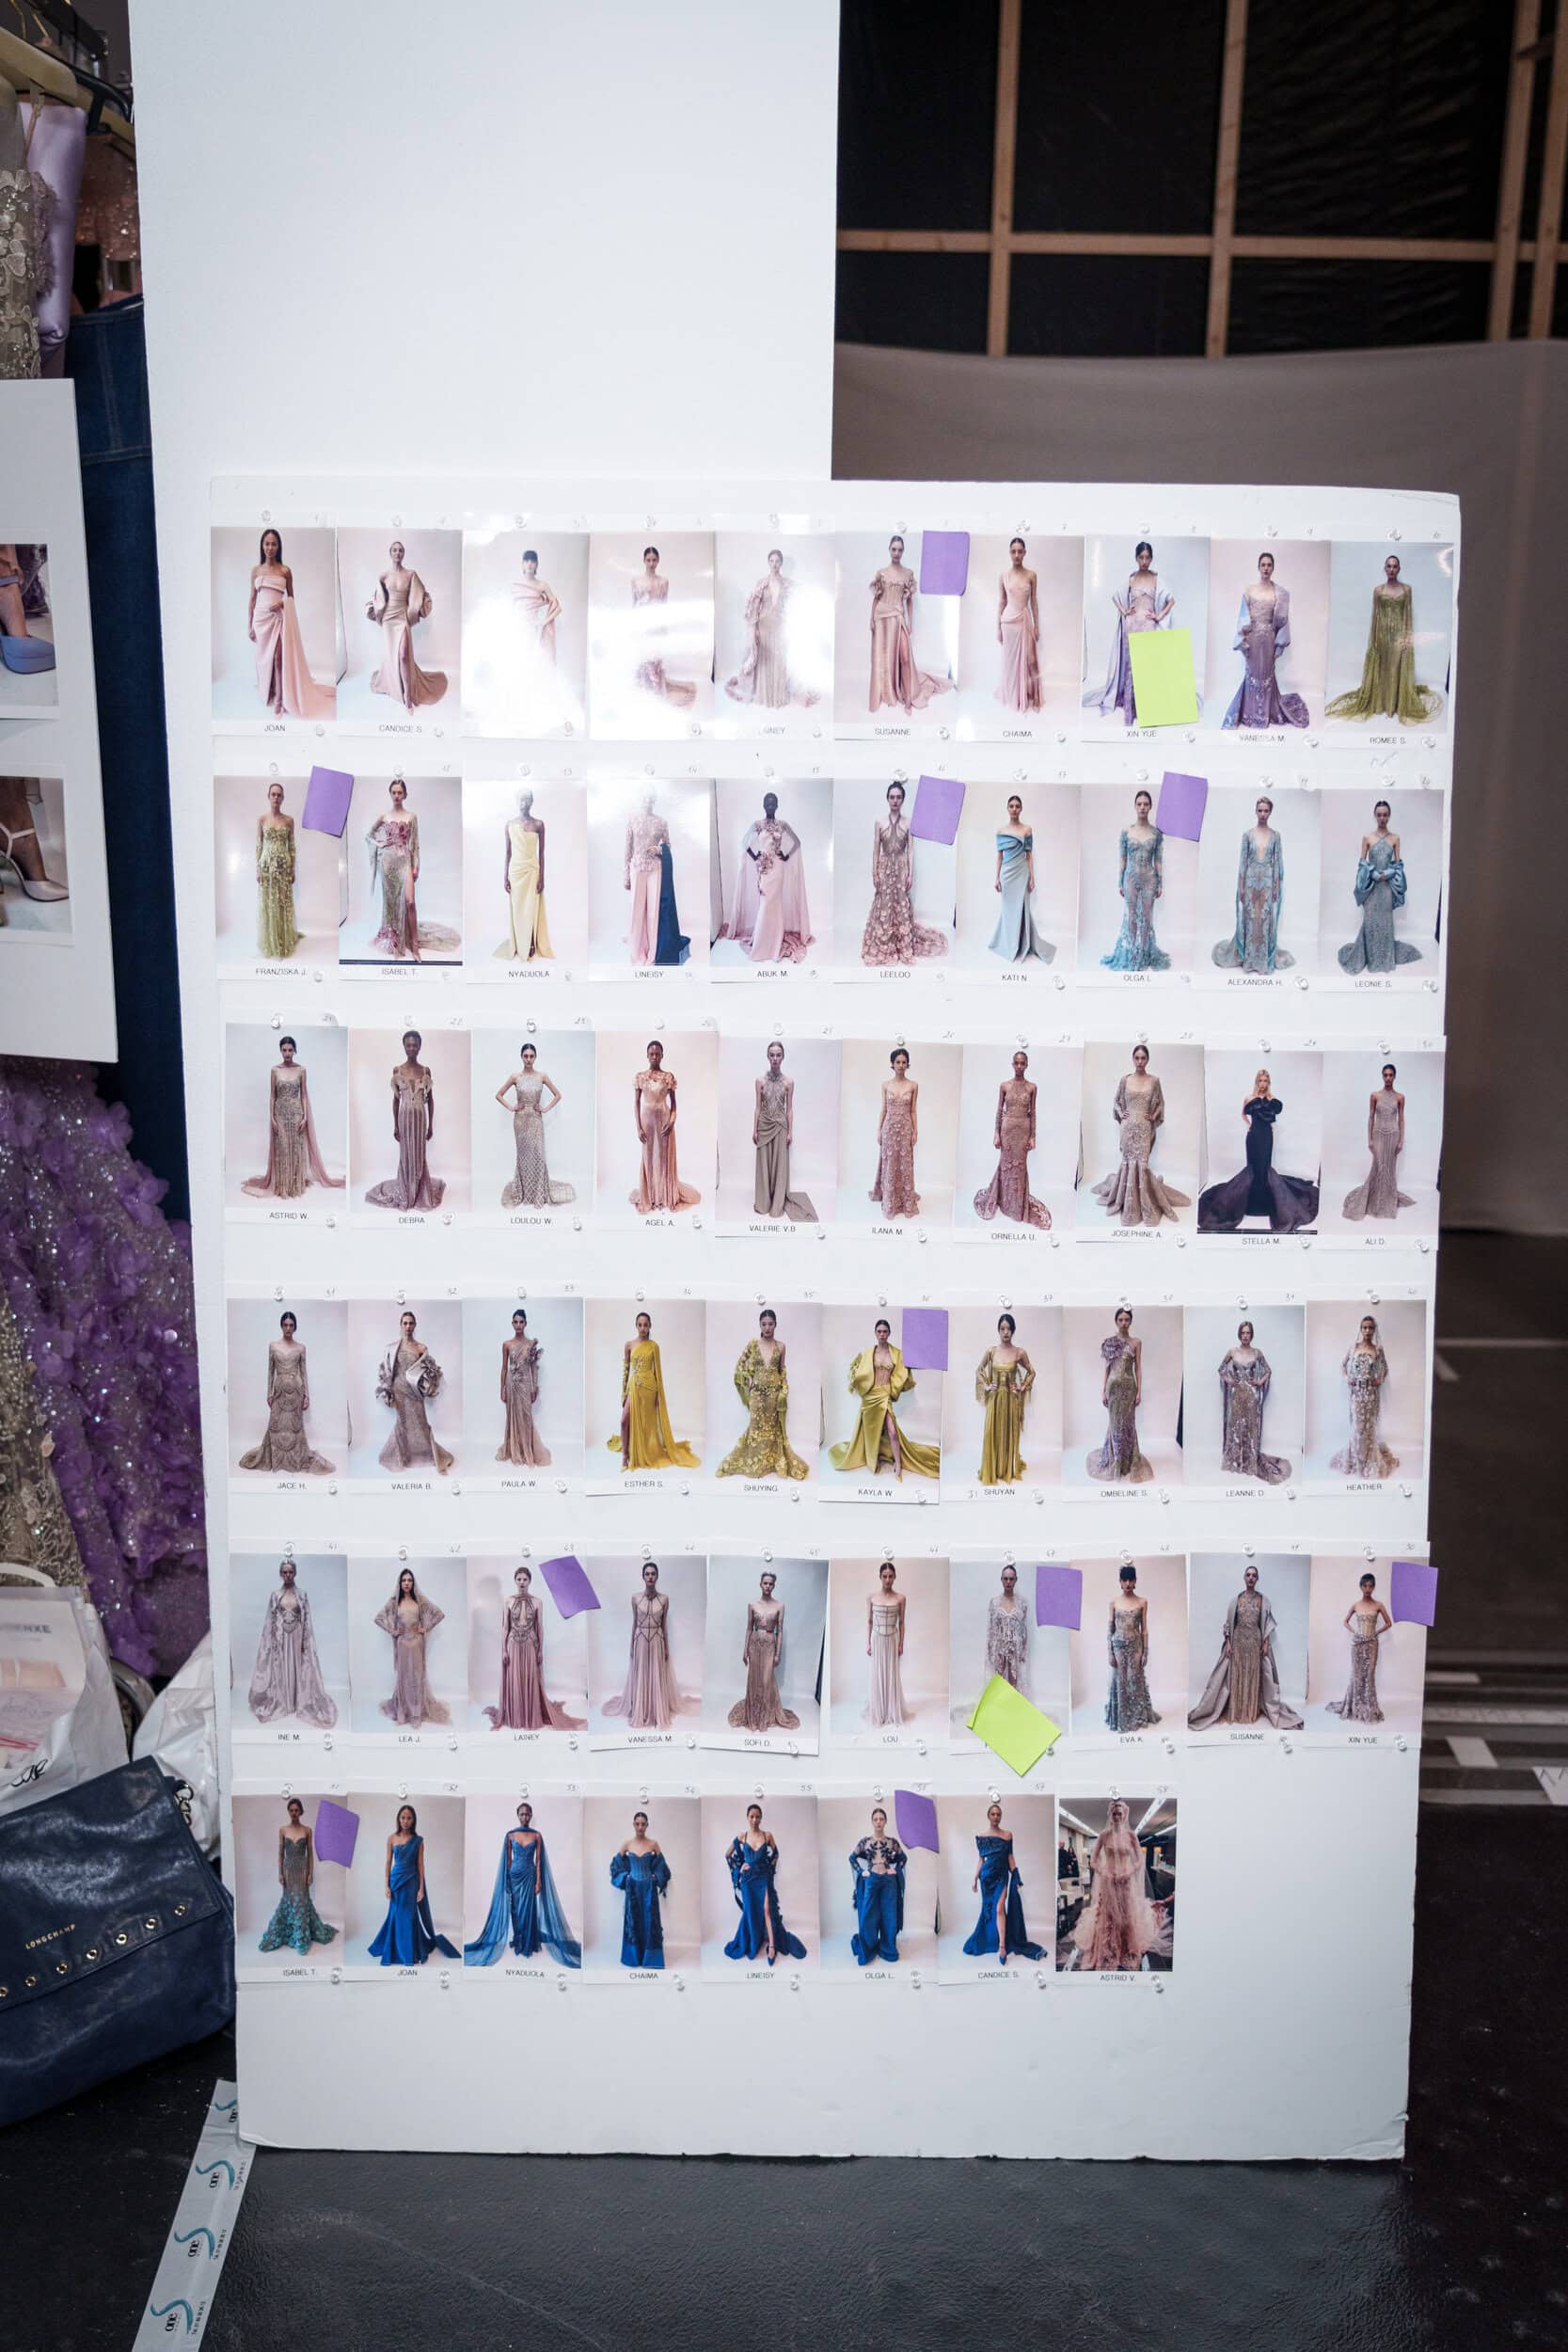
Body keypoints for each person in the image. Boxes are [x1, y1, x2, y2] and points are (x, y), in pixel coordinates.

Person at [1197, 1068, 1318, 1233]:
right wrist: (1249, 1126)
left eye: (1265, 1081)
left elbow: (1273, 1114)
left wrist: (1270, 1127)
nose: (1263, 1083)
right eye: (1260, 1080)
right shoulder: (1249, 1098)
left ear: (1268, 1083)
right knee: (1252, 1166)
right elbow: (1243, 1114)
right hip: (1253, 1137)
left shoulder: (1272, 1099)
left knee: (1264, 1166)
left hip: (1266, 1137)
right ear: (1256, 1082)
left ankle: (1266, 1200)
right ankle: (1250, 1199)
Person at [1326, 553, 1442, 723]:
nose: (1392, 569)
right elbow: (1375, 616)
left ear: (1399, 569)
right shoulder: (1378, 591)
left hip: (1399, 637)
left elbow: (1408, 615)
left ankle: (1393, 705)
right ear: (1385, 569)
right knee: (1382, 668)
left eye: (1395, 566)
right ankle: (1380, 703)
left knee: (1395, 668)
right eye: (1389, 566)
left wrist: (1407, 638)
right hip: (1382, 635)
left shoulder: (1407, 590)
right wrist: (1373, 640)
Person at [464, 1802, 580, 1967]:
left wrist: (539, 1881)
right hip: (514, 1876)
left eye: (527, 1814)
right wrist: (506, 1879)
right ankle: (519, 1940)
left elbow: (538, 1861)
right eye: (522, 1814)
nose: (524, 1817)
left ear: (531, 1815)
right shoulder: (510, 1835)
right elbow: (508, 1860)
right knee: (516, 1909)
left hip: (530, 1876)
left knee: (529, 1909)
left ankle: (528, 1942)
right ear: (517, 1815)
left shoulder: (537, 1836)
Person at [1188, 1563, 1304, 1728]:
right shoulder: (1236, 1600)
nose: (1250, 1578)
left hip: (1255, 1643)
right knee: (1237, 1675)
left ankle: (1250, 1712)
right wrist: (1228, 1642)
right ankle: (1237, 1711)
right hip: (1238, 1643)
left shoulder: (1263, 1600)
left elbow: (1267, 1623)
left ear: (1257, 1579)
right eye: (1248, 1575)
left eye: (1254, 1575)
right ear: (1244, 1578)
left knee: (1252, 1675)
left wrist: (1266, 1642)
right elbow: (1229, 1623)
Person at [830, 1318, 941, 1481]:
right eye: (879, 1331)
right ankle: (873, 1460)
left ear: (889, 1333)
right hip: (870, 1397)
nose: (882, 1334)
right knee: (871, 1431)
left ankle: (898, 1463)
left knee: (892, 1432)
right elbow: (858, 1371)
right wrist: (856, 1379)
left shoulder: (897, 1354)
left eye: (885, 1331)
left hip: (884, 1395)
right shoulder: (868, 1353)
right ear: (875, 1333)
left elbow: (904, 1372)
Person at [1091, 1043, 1189, 1227]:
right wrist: (1121, 1113)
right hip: (1128, 1128)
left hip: (1144, 1128)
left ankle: (1144, 1203)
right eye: (1137, 1058)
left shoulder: (1154, 1081)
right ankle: (1127, 1204)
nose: (1140, 1061)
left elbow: (1161, 1103)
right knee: (1128, 1163)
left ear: (1148, 1059)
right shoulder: (1125, 1080)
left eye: (1143, 1058)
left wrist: (1153, 1115)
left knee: (1142, 1164)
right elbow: (1116, 1101)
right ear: (1133, 1059)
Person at [1068, 1800, 1170, 1971]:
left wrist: (1129, 1872)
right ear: (1110, 1815)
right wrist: (1104, 1872)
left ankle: (1127, 1946)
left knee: (1127, 1913)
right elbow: (1093, 1861)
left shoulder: (1131, 1836)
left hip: (1126, 1882)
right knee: (1108, 1915)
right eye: (1114, 1814)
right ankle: (1108, 1948)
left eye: (1120, 1814)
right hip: (1108, 1882)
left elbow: (1139, 1860)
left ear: (1125, 1815)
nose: (1117, 1817)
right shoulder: (1104, 1835)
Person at [242, 1035, 342, 1201]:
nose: (287, 1053)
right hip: (280, 1114)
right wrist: (272, 1118)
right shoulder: (275, 1070)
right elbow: (272, 1096)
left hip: (296, 1114)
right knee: (282, 1148)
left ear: (294, 1050)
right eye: (284, 1050)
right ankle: (282, 1185)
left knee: (296, 1148)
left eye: (290, 1050)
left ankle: (295, 1185)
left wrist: (305, 1117)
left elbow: (303, 1095)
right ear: (280, 1051)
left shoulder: (301, 1070)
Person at [483, 1564, 581, 1729]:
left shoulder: (538, 1602)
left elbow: (540, 1627)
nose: (522, 1582)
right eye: (519, 1579)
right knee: (515, 1680)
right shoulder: (508, 1601)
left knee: (529, 1678)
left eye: (525, 1579)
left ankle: (530, 1716)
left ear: (530, 1581)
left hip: (530, 1644)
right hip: (513, 1644)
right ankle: (517, 1717)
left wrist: (540, 1650)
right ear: (515, 1581)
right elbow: (505, 1627)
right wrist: (504, 1650)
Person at [247, 527, 332, 717]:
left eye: (274, 544)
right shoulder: (256, 571)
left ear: (279, 547)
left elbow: (292, 597)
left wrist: (282, 603)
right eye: (267, 544)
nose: (270, 547)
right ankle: (270, 690)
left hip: (278, 618)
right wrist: (249, 625)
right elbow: (252, 600)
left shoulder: (285, 570)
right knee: (265, 658)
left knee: (278, 657)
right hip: (261, 620)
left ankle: (280, 699)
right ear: (262, 546)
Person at [1086, 540, 1172, 725]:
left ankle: (1146, 708)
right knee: (1131, 667)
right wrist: (1124, 611)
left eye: (1147, 558)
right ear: (1136, 558)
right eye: (1141, 557)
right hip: (1132, 625)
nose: (1144, 561)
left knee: (1147, 665)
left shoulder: (1156, 578)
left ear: (1151, 558)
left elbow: (1171, 600)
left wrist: (1158, 616)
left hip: (1148, 626)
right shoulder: (1132, 579)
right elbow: (1114, 597)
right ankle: (1130, 710)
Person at [861, 781, 947, 963]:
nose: (895, 800)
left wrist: (910, 874)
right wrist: (874, 872)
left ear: (903, 800)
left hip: (901, 868)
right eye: (892, 797)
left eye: (898, 797)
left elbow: (911, 850)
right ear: (887, 799)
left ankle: (901, 943)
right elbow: (876, 849)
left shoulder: (909, 822)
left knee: (900, 902)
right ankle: (885, 942)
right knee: (884, 903)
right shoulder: (879, 822)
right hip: (884, 867)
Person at [238, 1311, 334, 1474]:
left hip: (296, 1391)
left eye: (291, 1325)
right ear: (281, 1326)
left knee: (294, 1427)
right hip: (279, 1391)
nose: (288, 1328)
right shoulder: (273, 1346)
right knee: (276, 1426)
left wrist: (307, 1396)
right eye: (285, 1325)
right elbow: (270, 1371)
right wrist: (269, 1393)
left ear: (295, 1327)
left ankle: (293, 1462)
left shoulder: (301, 1348)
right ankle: (277, 1461)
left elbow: (303, 1372)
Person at [717, 1310, 808, 1481]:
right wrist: (748, 1377)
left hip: (774, 1394)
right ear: (759, 1325)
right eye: (764, 1324)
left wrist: (784, 1391)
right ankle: (756, 1463)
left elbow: (782, 1372)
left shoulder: (781, 1346)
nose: (767, 1328)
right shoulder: (753, 1345)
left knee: (773, 1429)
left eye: (770, 1324)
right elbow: (740, 1365)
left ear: (775, 1325)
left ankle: (771, 1462)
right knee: (756, 1428)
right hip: (757, 1395)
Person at [1222, 551, 1309, 729]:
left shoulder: (1280, 594)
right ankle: (1249, 713)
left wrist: (1279, 647)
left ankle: (1267, 713)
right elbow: (1243, 617)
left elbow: (1283, 621)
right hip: (1252, 640)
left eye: (1269, 565)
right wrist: (1243, 641)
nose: (1266, 568)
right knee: (1252, 675)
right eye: (1263, 565)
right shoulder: (1249, 590)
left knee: (1267, 675)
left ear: (1273, 568)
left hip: (1269, 640)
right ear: (1258, 567)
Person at [867, 533, 951, 713]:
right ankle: (886, 692)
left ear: (903, 551)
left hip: (898, 617)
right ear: (889, 550)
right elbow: (876, 598)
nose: (896, 553)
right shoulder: (881, 573)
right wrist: (871, 619)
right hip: (881, 616)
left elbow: (910, 601)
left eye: (899, 550)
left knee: (905, 658)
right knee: (882, 656)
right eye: (893, 549)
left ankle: (908, 700)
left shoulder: (908, 574)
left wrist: (910, 622)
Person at [723, 791, 812, 961]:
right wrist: (755, 856)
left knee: (775, 905)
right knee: (765, 904)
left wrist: (786, 855)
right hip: (764, 869)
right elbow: (744, 842)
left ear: (777, 806)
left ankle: (775, 942)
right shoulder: (757, 825)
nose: (770, 806)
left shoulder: (783, 825)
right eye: (768, 803)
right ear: (764, 805)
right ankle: (761, 943)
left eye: (773, 803)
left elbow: (797, 842)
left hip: (778, 869)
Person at [247, 1559, 337, 1726]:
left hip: (297, 1635)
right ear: (280, 1574)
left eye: (290, 1572)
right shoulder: (275, 1595)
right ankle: (285, 1702)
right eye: (284, 1572)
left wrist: (305, 1641)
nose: (288, 1575)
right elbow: (270, 1620)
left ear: (295, 1573)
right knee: (282, 1666)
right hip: (281, 1637)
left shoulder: (302, 1595)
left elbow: (307, 1619)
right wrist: (271, 1641)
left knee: (297, 1664)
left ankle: (297, 1701)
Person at [367, 1805, 459, 1966]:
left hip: (412, 1882)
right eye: (403, 1817)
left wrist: (421, 1888)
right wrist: (386, 1885)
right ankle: (395, 1948)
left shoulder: (419, 1841)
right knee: (396, 1914)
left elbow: (420, 1865)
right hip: (396, 1882)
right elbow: (388, 1862)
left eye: (409, 1818)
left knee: (409, 1915)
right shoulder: (391, 1838)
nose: (405, 1821)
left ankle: (408, 1952)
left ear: (414, 1820)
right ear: (398, 1818)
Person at [725, 548, 816, 708]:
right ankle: (765, 696)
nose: (774, 564)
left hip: (780, 625)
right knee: (765, 660)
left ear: (781, 563)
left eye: (777, 561)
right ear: (768, 563)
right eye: (772, 561)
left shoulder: (786, 583)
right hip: (764, 625)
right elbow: (754, 608)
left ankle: (778, 695)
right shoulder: (762, 583)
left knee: (780, 659)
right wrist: (755, 629)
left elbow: (798, 599)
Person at [1338, 800, 1421, 974]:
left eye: (1385, 815)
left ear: (1389, 816)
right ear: (1375, 816)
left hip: (1386, 889)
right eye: (1379, 815)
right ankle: (1371, 958)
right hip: (1372, 888)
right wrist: (1373, 873)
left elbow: (1398, 865)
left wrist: (1388, 873)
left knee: (1385, 922)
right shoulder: (1368, 838)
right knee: (1371, 922)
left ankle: (1384, 959)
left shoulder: (1395, 838)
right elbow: (1362, 863)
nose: (1382, 818)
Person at [610, 1311, 700, 1472]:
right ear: (636, 1326)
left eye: (646, 1325)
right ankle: (625, 1455)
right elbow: (626, 1370)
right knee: (624, 1420)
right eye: (640, 1325)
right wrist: (623, 1393)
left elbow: (657, 1372)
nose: (643, 1328)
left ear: (650, 1326)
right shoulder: (629, 1345)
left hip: (650, 1388)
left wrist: (659, 1395)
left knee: (647, 1424)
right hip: (634, 1387)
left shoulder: (654, 1346)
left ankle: (644, 1451)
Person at [1212, 796, 1291, 973]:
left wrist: (1276, 886)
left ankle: (1262, 960)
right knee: (1250, 919)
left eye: (1266, 811)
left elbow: (1277, 863)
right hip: (1250, 883)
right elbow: (1243, 862)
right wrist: (1241, 887)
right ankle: (1249, 960)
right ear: (1255, 811)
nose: (1263, 814)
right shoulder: (1247, 835)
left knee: (1264, 920)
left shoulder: (1275, 836)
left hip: (1268, 884)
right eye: (1260, 810)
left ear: (1270, 812)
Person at [974, 1051, 1051, 1227]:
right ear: (1012, 1064)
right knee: (1005, 1165)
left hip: (1023, 1131)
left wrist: (1032, 1137)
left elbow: (1033, 1113)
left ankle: (1016, 1207)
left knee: (1020, 1168)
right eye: (1016, 1063)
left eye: (1022, 1063)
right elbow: (999, 1110)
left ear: (1027, 1065)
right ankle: (1004, 1201)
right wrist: (996, 1133)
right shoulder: (1004, 1086)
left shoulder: (1032, 1087)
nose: (1019, 1066)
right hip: (1007, 1131)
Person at [367, 539, 447, 707]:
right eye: (395, 550)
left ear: (404, 554)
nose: (398, 553)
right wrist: (375, 608)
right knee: (392, 654)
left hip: (402, 617)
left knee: (404, 655)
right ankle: (394, 684)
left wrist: (418, 607)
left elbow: (421, 593)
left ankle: (408, 694)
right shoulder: (383, 576)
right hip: (389, 619)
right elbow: (378, 598)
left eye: (401, 550)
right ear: (390, 553)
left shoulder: (411, 574)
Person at [722, 1804, 807, 1964]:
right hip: (748, 1881)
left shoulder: (767, 1835)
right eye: (752, 1816)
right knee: (750, 1911)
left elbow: (776, 1854)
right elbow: (727, 1854)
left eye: (757, 1816)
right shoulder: (742, 1836)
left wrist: (769, 1870)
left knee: (767, 1910)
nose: (755, 1820)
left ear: (761, 1818)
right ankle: (753, 1942)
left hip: (763, 1878)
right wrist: (740, 1867)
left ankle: (772, 1946)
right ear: (747, 1817)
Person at [602, 1561, 682, 1727]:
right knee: (641, 1675)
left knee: (656, 1674)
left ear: (657, 1577)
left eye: (653, 1574)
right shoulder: (635, 1598)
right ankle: (642, 1710)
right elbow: (634, 1623)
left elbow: (664, 1626)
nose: (650, 1577)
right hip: (640, 1640)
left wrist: (667, 1648)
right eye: (647, 1574)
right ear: (643, 1577)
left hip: (657, 1640)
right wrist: (631, 1645)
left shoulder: (664, 1599)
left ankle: (655, 1710)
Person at [961, 1801, 1043, 1963]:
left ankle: (1002, 1946)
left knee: (999, 1909)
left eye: (998, 1814)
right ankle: (992, 1938)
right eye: (993, 1814)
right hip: (986, 1877)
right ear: (988, 1816)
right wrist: (975, 1877)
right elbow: (981, 1859)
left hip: (1001, 1876)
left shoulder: (1007, 1835)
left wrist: (1016, 1875)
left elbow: (1010, 1856)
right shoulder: (982, 1837)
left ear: (1001, 1817)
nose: (996, 1817)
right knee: (989, 1910)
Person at [375, 1310, 453, 1474]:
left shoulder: (421, 1347)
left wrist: (428, 1386)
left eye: (411, 1323)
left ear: (415, 1325)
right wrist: (389, 1393)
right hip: (398, 1391)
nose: (408, 1326)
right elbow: (388, 1371)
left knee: (421, 1424)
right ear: (400, 1325)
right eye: (405, 1323)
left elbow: (428, 1371)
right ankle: (402, 1456)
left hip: (414, 1392)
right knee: (402, 1424)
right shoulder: (392, 1348)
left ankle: (429, 1455)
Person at [496, 1043, 573, 1207]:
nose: (528, 1059)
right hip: (520, 1121)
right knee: (523, 1157)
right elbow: (499, 1095)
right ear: (521, 1057)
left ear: (535, 1057)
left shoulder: (542, 1076)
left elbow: (558, 1095)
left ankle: (537, 1192)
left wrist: (545, 1109)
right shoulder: (515, 1077)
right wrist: (511, 1107)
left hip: (536, 1120)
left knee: (537, 1155)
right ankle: (524, 1192)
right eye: (526, 1056)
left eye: (531, 1056)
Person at [1101, 790, 1169, 971]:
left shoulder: (1156, 833)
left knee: (1146, 917)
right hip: (1130, 878)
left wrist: (1160, 883)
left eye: (1146, 804)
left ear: (1150, 807)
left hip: (1149, 879)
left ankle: (1143, 954)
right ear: (1135, 806)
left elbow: (1158, 860)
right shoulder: (1127, 831)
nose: (1142, 807)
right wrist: (1120, 881)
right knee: (1131, 917)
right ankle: (1132, 952)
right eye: (1139, 804)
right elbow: (1122, 858)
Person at [1215, 1321, 1292, 1483]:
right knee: (1235, 1427)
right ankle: (1236, 1462)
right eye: (1243, 1333)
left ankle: (1249, 1462)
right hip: (1236, 1396)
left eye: (1248, 1333)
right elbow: (1221, 1369)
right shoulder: (1232, 1352)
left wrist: (1259, 1382)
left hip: (1251, 1397)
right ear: (1239, 1334)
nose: (1245, 1336)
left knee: (1250, 1428)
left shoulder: (1257, 1353)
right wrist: (1229, 1380)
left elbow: (1268, 1370)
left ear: (1252, 1335)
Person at [258, 1799, 337, 1955]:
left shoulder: (307, 1830)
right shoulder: (283, 1830)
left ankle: (301, 1936)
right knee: (288, 1900)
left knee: (301, 1900)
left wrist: (310, 1873)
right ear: (289, 1812)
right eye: (291, 1810)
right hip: (288, 1870)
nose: (294, 1813)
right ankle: (288, 1931)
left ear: (301, 1812)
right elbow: (280, 1854)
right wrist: (280, 1873)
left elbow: (310, 1855)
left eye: (296, 1810)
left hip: (302, 1870)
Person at [630, 1039, 700, 1213]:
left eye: (657, 1054)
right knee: (648, 1158)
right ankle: (650, 1196)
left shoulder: (668, 1077)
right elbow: (636, 1102)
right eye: (651, 1054)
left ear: (662, 1055)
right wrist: (638, 1127)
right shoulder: (640, 1077)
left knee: (663, 1158)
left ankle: (663, 1196)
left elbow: (674, 1104)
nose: (654, 1057)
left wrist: (671, 1122)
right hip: (647, 1121)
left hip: (664, 1120)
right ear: (647, 1056)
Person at [374, 1566, 451, 1725]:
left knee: (417, 1676)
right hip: (402, 1644)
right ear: (400, 1583)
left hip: (417, 1643)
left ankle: (416, 1713)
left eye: (410, 1580)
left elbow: (439, 1614)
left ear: (413, 1583)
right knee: (404, 1676)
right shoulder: (395, 1602)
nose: (407, 1583)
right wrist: (393, 1631)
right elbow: (379, 1618)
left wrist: (425, 1628)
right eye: (404, 1580)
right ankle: (403, 1712)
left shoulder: (419, 1601)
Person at [726, 1567, 800, 1729]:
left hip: (769, 1645)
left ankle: (765, 1714)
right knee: (755, 1679)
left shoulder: (779, 1606)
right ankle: (753, 1713)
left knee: (766, 1680)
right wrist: (745, 1650)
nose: (767, 1586)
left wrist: (778, 1654)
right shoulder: (753, 1605)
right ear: (760, 1584)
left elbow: (780, 1631)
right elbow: (749, 1628)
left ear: (774, 1586)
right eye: (765, 1583)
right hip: (755, 1644)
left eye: (770, 1584)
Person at [750, 1041, 816, 1221]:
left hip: (780, 1126)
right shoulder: (759, 1081)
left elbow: (790, 1110)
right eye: (772, 1055)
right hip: (764, 1125)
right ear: (768, 1057)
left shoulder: (789, 1082)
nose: (775, 1058)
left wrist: (790, 1132)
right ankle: (763, 1203)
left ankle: (777, 1204)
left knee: (779, 1166)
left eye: (778, 1055)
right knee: (764, 1165)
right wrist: (754, 1129)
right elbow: (757, 1107)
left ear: (783, 1057)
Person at [1086, 1309, 1151, 1485]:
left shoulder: (1136, 1342)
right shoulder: (1110, 1343)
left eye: (1127, 1319)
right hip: (1113, 1388)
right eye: (1121, 1319)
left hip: (1129, 1388)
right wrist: (1103, 1390)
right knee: (1115, 1424)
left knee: (1128, 1423)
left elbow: (1138, 1368)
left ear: (1130, 1321)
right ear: (1116, 1321)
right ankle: (1115, 1463)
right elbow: (1107, 1368)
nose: (1124, 1323)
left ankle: (1127, 1461)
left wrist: (1139, 1391)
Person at [1343, 1064, 1414, 1222]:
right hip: (1378, 1135)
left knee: (1390, 1168)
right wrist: (1369, 1139)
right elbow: (1371, 1117)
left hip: (1393, 1135)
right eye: (1385, 1075)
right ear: (1382, 1076)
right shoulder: (1375, 1095)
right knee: (1378, 1166)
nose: (1388, 1078)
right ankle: (1375, 1202)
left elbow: (1401, 1119)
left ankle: (1387, 1202)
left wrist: (1401, 1140)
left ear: (1394, 1077)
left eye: (1391, 1075)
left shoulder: (1400, 1097)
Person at [1330, 1315, 1398, 1479]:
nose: (1367, 1331)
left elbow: (1385, 1369)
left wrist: (1379, 1380)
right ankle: (1356, 1460)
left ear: (1374, 1330)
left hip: (1371, 1395)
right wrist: (1348, 1378)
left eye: (1370, 1328)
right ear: (1360, 1329)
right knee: (1357, 1427)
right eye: (1365, 1327)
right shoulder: (1353, 1347)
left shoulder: (1377, 1350)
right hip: (1356, 1393)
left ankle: (1368, 1460)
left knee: (1369, 1427)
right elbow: (1343, 1365)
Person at [989, 793, 1053, 961]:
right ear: (1007, 808)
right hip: (1007, 875)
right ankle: (1009, 944)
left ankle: (1022, 943)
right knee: (1008, 910)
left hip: (1022, 873)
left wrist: (1032, 878)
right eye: (1011, 806)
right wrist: (996, 878)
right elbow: (999, 856)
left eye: (1017, 806)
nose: (1014, 809)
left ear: (1021, 809)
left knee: (1022, 907)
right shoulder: (1001, 831)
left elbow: (1029, 855)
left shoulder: (1027, 830)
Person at [975, 1316, 1035, 1487]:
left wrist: (1022, 1386)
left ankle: (1007, 1468)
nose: (1006, 1332)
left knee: (1009, 1432)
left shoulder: (1019, 1352)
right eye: (1002, 1328)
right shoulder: (991, 1351)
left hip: (1010, 1400)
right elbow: (978, 1371)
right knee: (991, 1432)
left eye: (1009, 1328)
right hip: (994, 1400)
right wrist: (987, 1386)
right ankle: (993, 1469)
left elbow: (1032, 1372)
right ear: (998, 1330)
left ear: (1013, 1331)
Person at [1326, 1572, 1393, 1723]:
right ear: (1361, 1587)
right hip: (1357, 1645)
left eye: (1370, 1586)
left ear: (1374, 1587)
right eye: (1365, 1586)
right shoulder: (1356, 1605)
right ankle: (1355, 1706)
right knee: (1356, 1676)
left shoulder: (1378, 1605)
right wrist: (1354, 1631)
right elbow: (1345, 1621)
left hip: (1371, 1644)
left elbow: (1389, 1623)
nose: (1368, 1589)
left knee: (1369, 1676)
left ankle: (1369, 1707)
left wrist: (1376, 1632)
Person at [1103, 1563, 1160, 1728]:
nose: (1127, 1584)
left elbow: (1144, 1629)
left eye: (1130, 1580)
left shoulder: (1142, 1602)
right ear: (1120, 1582)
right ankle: (1122, 1718)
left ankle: (1137, 1717)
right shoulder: (1113, 1603)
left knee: (1135, 1681)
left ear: (1135, 1581)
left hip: (1136, 1647)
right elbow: (1110, 1629)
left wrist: (1145, 1652)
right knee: (1120, 1682)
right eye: (1124, 1580)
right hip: (1118, 1647)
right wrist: (1110, 1652)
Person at [610, 1814, 671, 1967]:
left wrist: (655, 1877)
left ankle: (651, 1959)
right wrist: (626, 1877)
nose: (640, 1827)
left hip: (649, 1890)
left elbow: (663, 1867)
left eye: (643, 1824)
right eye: (637, 1824)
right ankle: (634, 1957)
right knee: (633, 1921)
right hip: (633, 1891)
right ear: (633, 1824)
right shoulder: (627, 1844)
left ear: (647, 1825)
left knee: (650, 1921)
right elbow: (615, 1865)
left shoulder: (653, 1844)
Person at [499, 789, 552, 961]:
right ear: (517, 801)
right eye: (522, 799)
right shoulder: (510, 825)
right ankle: (517, 943)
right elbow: (508, 853)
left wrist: (542, 877)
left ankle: (530, 942)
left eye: (528, 799)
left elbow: (541, 853)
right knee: (517, 909)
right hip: (515, 871)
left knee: (531, 907)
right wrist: (505, 877)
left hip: (532, 871)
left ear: (532, 802)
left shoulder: (539, 824)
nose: (524, 803)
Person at [849, 1807, 907, 1964]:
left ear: (885, 1821)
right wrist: (861, 1871)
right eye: (876, 1819)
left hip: (888, 1881)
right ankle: (868, 1948)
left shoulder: (892, 1842)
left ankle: (888, 1948)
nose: (879, 1822)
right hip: (872, 1880)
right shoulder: (865, 1842)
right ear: (872, 1822)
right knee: (869, 1914)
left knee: (889, 1914)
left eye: (881, 1819)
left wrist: (896, 1870)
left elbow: (903, 1858)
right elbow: (852, 1858)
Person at [870, 1046, 920, 1220]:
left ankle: (905, 1200)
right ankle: (889, 1200)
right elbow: (883, 1109)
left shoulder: (913, 1085)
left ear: (907, 1064)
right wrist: (879, 1130)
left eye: (904, 1062)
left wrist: (915, 1131)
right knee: (890, 1163)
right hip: (889, 1129)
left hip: (905, 1129)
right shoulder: (886, 1085)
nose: (901, 1065)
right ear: (892, 1064)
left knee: (905, 1164)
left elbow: (913, 1110)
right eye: (898, 1062)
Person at [496, 1312, 550, 1467]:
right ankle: (515, 1450)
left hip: (525, 1385)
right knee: (512, 1417)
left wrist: (534, 1388)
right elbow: (504, 1368)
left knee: (526, 1417)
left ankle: (528, 1450)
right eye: (515, 1322)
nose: (518, 1325)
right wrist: (502, 1388)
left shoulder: (530, 1344)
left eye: (521, 1322)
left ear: (526, 1323)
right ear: (512, 1324)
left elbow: (533, 1368)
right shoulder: (507, 1344)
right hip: (511, 1384)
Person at [252, 781, 298, 957]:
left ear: (283, 798)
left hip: (284, 866)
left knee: (282, 901)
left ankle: (282, 938)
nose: (276, 797)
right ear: (268, 796)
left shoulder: (289, 820)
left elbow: (291, 846)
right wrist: (257, 869)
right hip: (266, 866)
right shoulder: (262, 819)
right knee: (269, 902)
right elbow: (259, 846)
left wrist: (293, 869)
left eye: (279, 795)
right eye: (273, 794)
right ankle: (270, 940)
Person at [995, 538, 1041, 711]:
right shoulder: (1003, 576)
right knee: (1011, 663)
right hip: (1008, 623)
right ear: (1009, 553)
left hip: (1024, 620)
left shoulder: (1031, 575)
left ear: (1024, 553)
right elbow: (1002, 602)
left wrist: (1037, 626)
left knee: (1031, 660)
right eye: (1013, 551)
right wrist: (997, 628)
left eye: (1020, 551)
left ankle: (1036, 696)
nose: (1016, 555)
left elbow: (1034, 602)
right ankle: (1014, 695)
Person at [864, 1559, 908, 1727]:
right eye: (885, 1576)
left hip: (892, 1639)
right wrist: (868, 1643)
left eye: (890, 1576)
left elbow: (901, 1622)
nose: (888, 1580)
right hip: (877, 1639)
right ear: (880, 1577)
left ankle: (891, 1711)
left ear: (895, 1577)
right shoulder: (871, 1598)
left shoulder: (901, 1598)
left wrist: (901, 1643)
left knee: (891, 1673)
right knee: (877, 1673)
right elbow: (869, 1621)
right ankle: (878, 1711)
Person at [984, 1562, 1029, 1685]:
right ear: (1001, 1580)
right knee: (999, 1680)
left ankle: (1013, 1698)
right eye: (1006, 1579)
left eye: (1011, 1579)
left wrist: (1023, 1650)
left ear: (1016, 1580)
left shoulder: (1022, 1603)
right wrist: (990, 1651)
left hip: (1015, 1647)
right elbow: (991, 1629)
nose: (1008, 1582)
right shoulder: (994, 1602)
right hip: (999, 1646)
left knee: (1014, 1680)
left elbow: (1024, 1629)